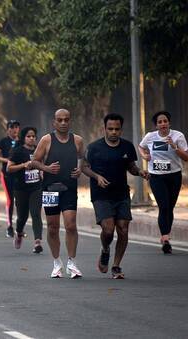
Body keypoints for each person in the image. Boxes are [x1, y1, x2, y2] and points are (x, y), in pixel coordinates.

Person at [83, 114, 148, 278]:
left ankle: (116, 266)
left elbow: (131, 166)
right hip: (101, 194)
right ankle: (105, 249)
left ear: (121, 129)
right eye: (110, 129)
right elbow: (84, 167)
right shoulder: (94, 147)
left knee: (123, 229)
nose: (113, 132)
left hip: (121, 194)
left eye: (117, 129)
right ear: (104, 129)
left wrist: (140, 172)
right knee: (108, 230)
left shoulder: (127, 146)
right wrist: (97, 177)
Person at [32, 109, 84, 279]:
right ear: (53, 122)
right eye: (59, 120)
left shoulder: (77, 140)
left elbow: (83, 161)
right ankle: (56, 262)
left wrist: (79, 171)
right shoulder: (46, 140)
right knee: (53, 227)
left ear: (70, 121)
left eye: (66, 120)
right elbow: (34, 161)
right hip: (50, 189)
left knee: (70, 225)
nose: (63, 123)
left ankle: (72, 262)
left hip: (69, 188)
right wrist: (46, 168)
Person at [138, 111, 188, 254]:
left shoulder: (178, 136)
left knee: (170, 207)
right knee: (163, 205)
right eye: (160, 122)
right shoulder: (150, 137)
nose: (163, 124)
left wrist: (174, 147)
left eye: (165, 121)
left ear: (169, 123)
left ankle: (166, 234)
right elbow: (141, 147)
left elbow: (186, 157)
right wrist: (144, 155)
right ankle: (165, 238)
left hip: (174, 176)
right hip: (156, 176)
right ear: (156, 125)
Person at [7, 127, 43, 253]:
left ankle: (37, 242)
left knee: (36, 214)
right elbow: (9, 168)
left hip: (36, 187)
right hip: (21, 189)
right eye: (29, 136)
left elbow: (43, 164)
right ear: (24, 138)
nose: (32, 138)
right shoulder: (17, 151)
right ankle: (19, 232)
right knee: (22, 216)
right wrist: (23, 165)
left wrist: (42, 171)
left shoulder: (39, 150)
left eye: (33, 136)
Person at [0, 120, 20, 238]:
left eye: (16, 127)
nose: (14, 129)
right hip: (7, 175)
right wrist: (7, 160)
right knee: (10, 200)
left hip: (19, 175)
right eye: (11, 127)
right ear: (7, 129)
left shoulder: (22, 142)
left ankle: (20, 227)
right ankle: (9, 227)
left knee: (20, 201)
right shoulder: (3, 142)